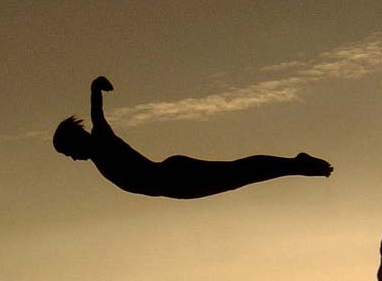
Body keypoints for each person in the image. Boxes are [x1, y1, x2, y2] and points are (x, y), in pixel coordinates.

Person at [53, 76, 333, 199]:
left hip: (173, 177)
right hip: (173, 184)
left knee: (238, 173)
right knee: (237, 174)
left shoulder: (100, 140)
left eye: (68, 152)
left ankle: (297, 164)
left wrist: (96, 86)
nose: (72, 158)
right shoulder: (97, 150)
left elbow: (96, 113)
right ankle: (295, 165)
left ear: (75, 139)